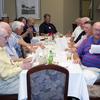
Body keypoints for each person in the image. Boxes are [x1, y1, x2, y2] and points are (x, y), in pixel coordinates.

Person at [0, 27, 33, 94]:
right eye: (5, 37)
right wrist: (21, 67)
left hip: (9, 81)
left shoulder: (2, 49)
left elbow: (10, 63)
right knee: (32, 84)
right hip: (4, 85)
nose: (7, 40)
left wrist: (22, 62)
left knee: (31, 77)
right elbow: (4, 75)